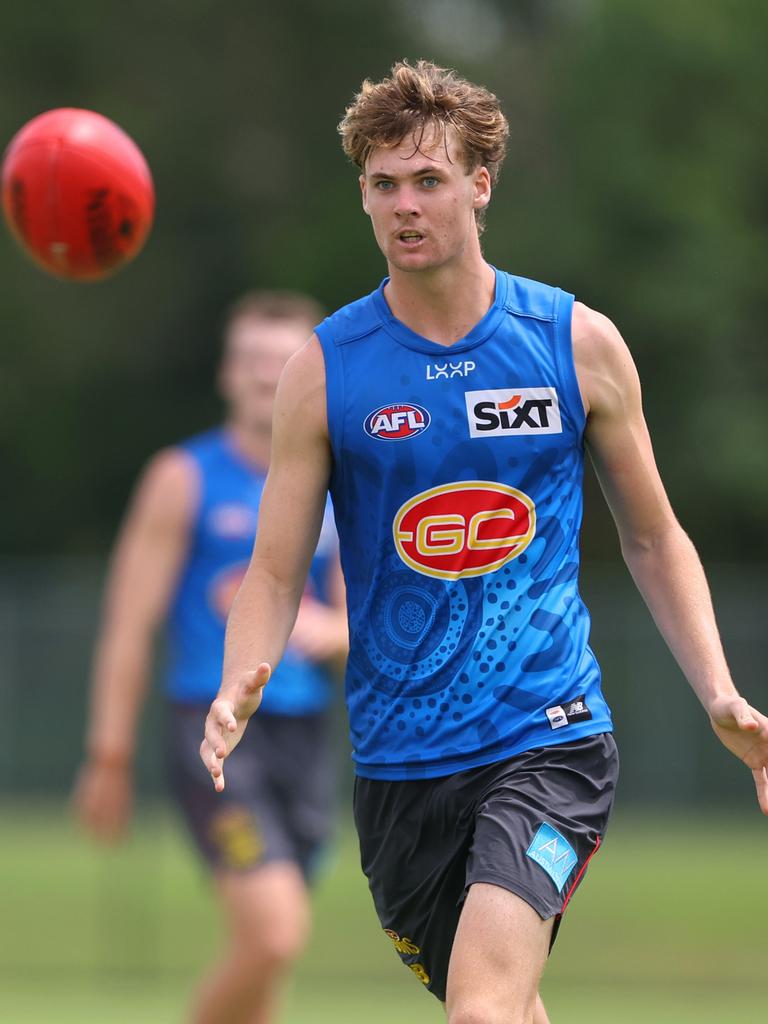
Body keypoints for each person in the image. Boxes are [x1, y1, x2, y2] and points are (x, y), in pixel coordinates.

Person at [199, 60, 768, 1024]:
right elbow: (275, 570)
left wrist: (719, 691)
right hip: (398, 768)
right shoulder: (326, 371)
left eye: (428, 180)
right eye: (383, 184)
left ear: (480, 185)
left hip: (550, 741)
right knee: (506, 1009)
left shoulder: (572, 344)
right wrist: (236, 680)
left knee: (482, 1011)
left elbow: (654, 537)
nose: (404, 206)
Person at [74, 290, 347, 1024]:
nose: (266, 375)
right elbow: (127, 626)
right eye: (251, 359)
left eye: (283, 359)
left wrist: (331, 628)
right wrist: (108, 755)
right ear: (226, 374)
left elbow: (357, 619)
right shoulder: (182, 478)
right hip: (215, 733)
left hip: (303, 732)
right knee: (275, 935)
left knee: (266, 953)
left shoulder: (335, 484)